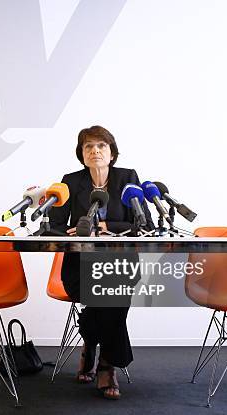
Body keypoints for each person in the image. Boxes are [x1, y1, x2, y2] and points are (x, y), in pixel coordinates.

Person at [48, 125, 154, 399]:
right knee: (112, 296)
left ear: (112, 153)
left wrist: (106, 225)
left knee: (113, 290)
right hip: (80, 268)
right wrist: (76, 231)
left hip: (120, 265)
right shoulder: (70, 182)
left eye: (101, 146)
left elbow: (144, 224)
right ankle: (109, 365)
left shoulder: (127, 179)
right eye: (88, 147)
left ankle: (94, 348)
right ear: (82, 154)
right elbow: (56, 227)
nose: (95, 151)